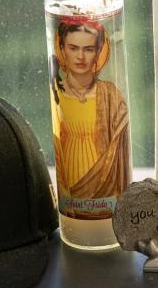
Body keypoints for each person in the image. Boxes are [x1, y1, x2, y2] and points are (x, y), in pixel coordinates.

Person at [51, 16, 130, 219]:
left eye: (88, 49)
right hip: (71, 186)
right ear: (62, 49)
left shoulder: (110, 95)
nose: (80, 57)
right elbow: (58, 147)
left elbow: (120, 153)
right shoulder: (57, 93)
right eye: (73, 48)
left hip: (107, 188)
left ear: (98, 52)